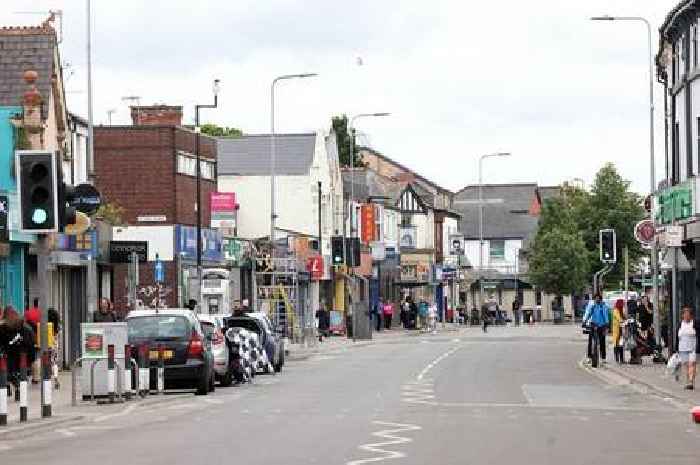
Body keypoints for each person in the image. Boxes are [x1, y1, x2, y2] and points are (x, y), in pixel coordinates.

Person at [583, 293, 610, 366]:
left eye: (598, 298)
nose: (596, 300)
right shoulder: (593, 306)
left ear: (600, 299)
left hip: (602, 326)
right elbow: (589, 314)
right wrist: (585, 321)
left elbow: (605, 316)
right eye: (595, 298)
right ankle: (589, 357)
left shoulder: (603, 306)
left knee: (602, 342)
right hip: (594, 325)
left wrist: (607, 324)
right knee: (590, 341)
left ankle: (603, 358)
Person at [678, 307, 698, 390]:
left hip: (692, 348)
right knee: (686, 366)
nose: (686, 316)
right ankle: (688, 380)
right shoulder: (680, 324)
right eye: (684, 314)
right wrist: (676, 349)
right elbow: (678, 337)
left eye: (688, 314)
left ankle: (690, 382)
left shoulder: (695, 323)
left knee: (691, 364)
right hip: (682, 348)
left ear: (691, 315)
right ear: (682, 315)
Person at [612, 299, 625, 364]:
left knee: (621, 344)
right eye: (622, 304)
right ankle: (617, 359)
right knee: (617, 344)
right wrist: (622, 321)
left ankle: (621, 359)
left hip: (621, 330)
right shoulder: (616, 310)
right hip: (617, 330)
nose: (623, 305)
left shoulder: (621, 310)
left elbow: (623, 318)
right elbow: (619, 318)